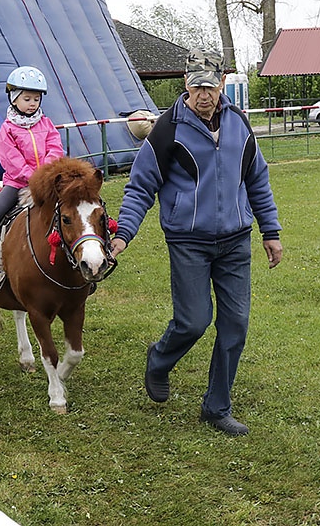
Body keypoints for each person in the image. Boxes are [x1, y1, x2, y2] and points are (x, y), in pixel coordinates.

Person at [111, 48, 283, 436]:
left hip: (236, 241)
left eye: (209, 85)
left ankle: (217, 407)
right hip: (188, 241)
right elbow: (141, 187)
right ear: (185, 85)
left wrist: (270, 233)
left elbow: (256, 179)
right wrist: (123, 234)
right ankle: (159, 359)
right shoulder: (168, 129)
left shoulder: (239, 123)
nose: (203, 93)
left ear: (222, 83)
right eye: (195, 85)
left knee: (235, 325)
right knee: (193, 321)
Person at [0, 65, 64, 287]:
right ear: (14, 99)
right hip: (17, 184)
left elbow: (55, 148)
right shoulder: (7, 130)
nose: (32, 103)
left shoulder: (46, 124)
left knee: (74, 209)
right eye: (27, 98)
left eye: (36, 99)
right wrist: (33, 177)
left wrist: (45, 175)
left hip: (46, 182)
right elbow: (12, 161)